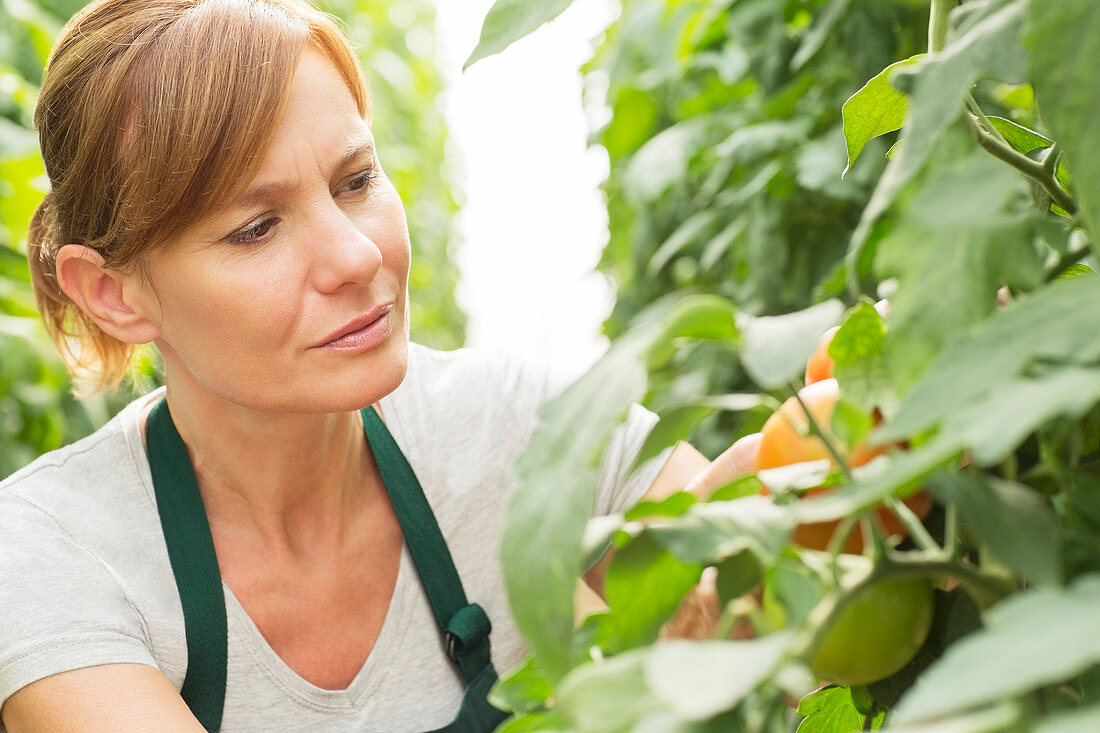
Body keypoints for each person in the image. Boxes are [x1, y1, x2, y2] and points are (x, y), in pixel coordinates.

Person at [0, 0, 753, 729]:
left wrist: (804, 492)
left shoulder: (527, 427)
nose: (356, 257)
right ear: (114, 293)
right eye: (257, 228)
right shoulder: (52, 553)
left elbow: (758, 582)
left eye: (356, 182)